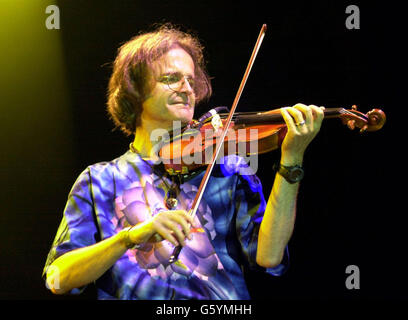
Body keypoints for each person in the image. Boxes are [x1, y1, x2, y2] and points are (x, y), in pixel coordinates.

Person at [43, 24, 324, 300]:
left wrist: (292, 158)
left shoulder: (226, 167)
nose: (187, 88)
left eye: (191, 80)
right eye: (171, 78)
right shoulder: (100, 180)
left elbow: (269, 256)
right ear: (134, 89)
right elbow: (58, 278)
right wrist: (128, 237)